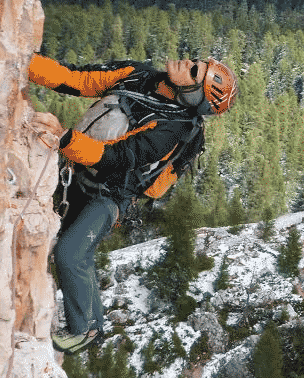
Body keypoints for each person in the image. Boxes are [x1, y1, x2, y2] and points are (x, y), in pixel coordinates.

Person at [27, 54, 238, 354]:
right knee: (65, 249)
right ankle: (89, 322)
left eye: (193, 71)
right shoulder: (138, 74)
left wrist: (65, 139)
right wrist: (25, 62)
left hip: (110, 195)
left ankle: (84, 329)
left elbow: (121, 155)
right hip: (77, 172)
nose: (185, 62)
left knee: (70, 253)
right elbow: (77, 79)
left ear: (193, 95)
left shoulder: (172, 128)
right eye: (194, 60)